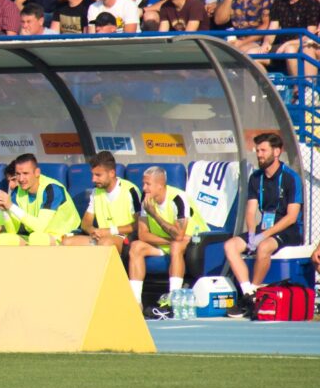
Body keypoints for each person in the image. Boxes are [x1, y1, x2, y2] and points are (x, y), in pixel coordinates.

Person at [225, 132, 305, 318]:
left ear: (276, 152)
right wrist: (252, 233)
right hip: (264, 228)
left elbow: (292, 217)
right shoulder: (255, 177)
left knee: (263, 247)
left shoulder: (290, 178)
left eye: (263, 150)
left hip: (288, 230)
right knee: (230, 245)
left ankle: (254, 292)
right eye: (257, 150)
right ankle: (248, 293)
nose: (259, 154)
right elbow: (251, 211)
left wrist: (263, 235)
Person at [128, 165, 209, 316]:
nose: (144, 188)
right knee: (136, 246)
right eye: (143, 183)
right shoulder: (145, 200)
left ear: (160, 185)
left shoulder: (178, 198)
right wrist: (168, 240)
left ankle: (174, 299)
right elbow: (143, 235)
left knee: (176, 246)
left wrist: (155, 215)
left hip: (195, 241)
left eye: (148, 184)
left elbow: (179, 235)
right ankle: (135, 302)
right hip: (167, 241)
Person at [0, 154, 81, 245]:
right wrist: (5, 211)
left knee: (37, 239)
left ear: (37, 172)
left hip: (64, 236)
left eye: (25, 173)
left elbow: (39, 227)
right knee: (3, 239)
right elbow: (12, 231)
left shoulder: (52, 189)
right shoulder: (17, 192)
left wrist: (11, 206)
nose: (21, 179)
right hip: (36, 236)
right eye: (18, 174)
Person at [63, 151, 140, 252]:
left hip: (124, 238)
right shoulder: (96, 192)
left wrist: (110, 231)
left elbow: (138, 225)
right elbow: (86, 223)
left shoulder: (131, 190)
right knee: (66, 243)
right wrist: (93, 231)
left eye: (98, 175)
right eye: (93, 174)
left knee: (105, 243)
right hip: (101, 237)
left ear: (112, 173)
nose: (93, 179)